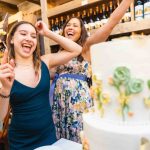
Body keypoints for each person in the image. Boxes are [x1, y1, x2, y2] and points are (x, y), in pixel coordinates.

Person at [50, 0, 134, 143]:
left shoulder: (86, 47)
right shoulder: (59, 52)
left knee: (80, 138)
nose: (70, 27)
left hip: (78, 103)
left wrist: (127, 1)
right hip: (59, 104)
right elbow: (50, 74)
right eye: (68, 25)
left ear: (82, 31)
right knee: (62, 141)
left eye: (75, 25)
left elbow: (110, 24)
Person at [0, 20, 82, 150]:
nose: (29, 39)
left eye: (33, 36)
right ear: (11, 39)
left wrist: (47, 32)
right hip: (21, 142)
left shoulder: (45, 61)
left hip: (48, 136)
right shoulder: (4, 71)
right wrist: (5, 89)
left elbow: (76, 49)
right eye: (23, 34)